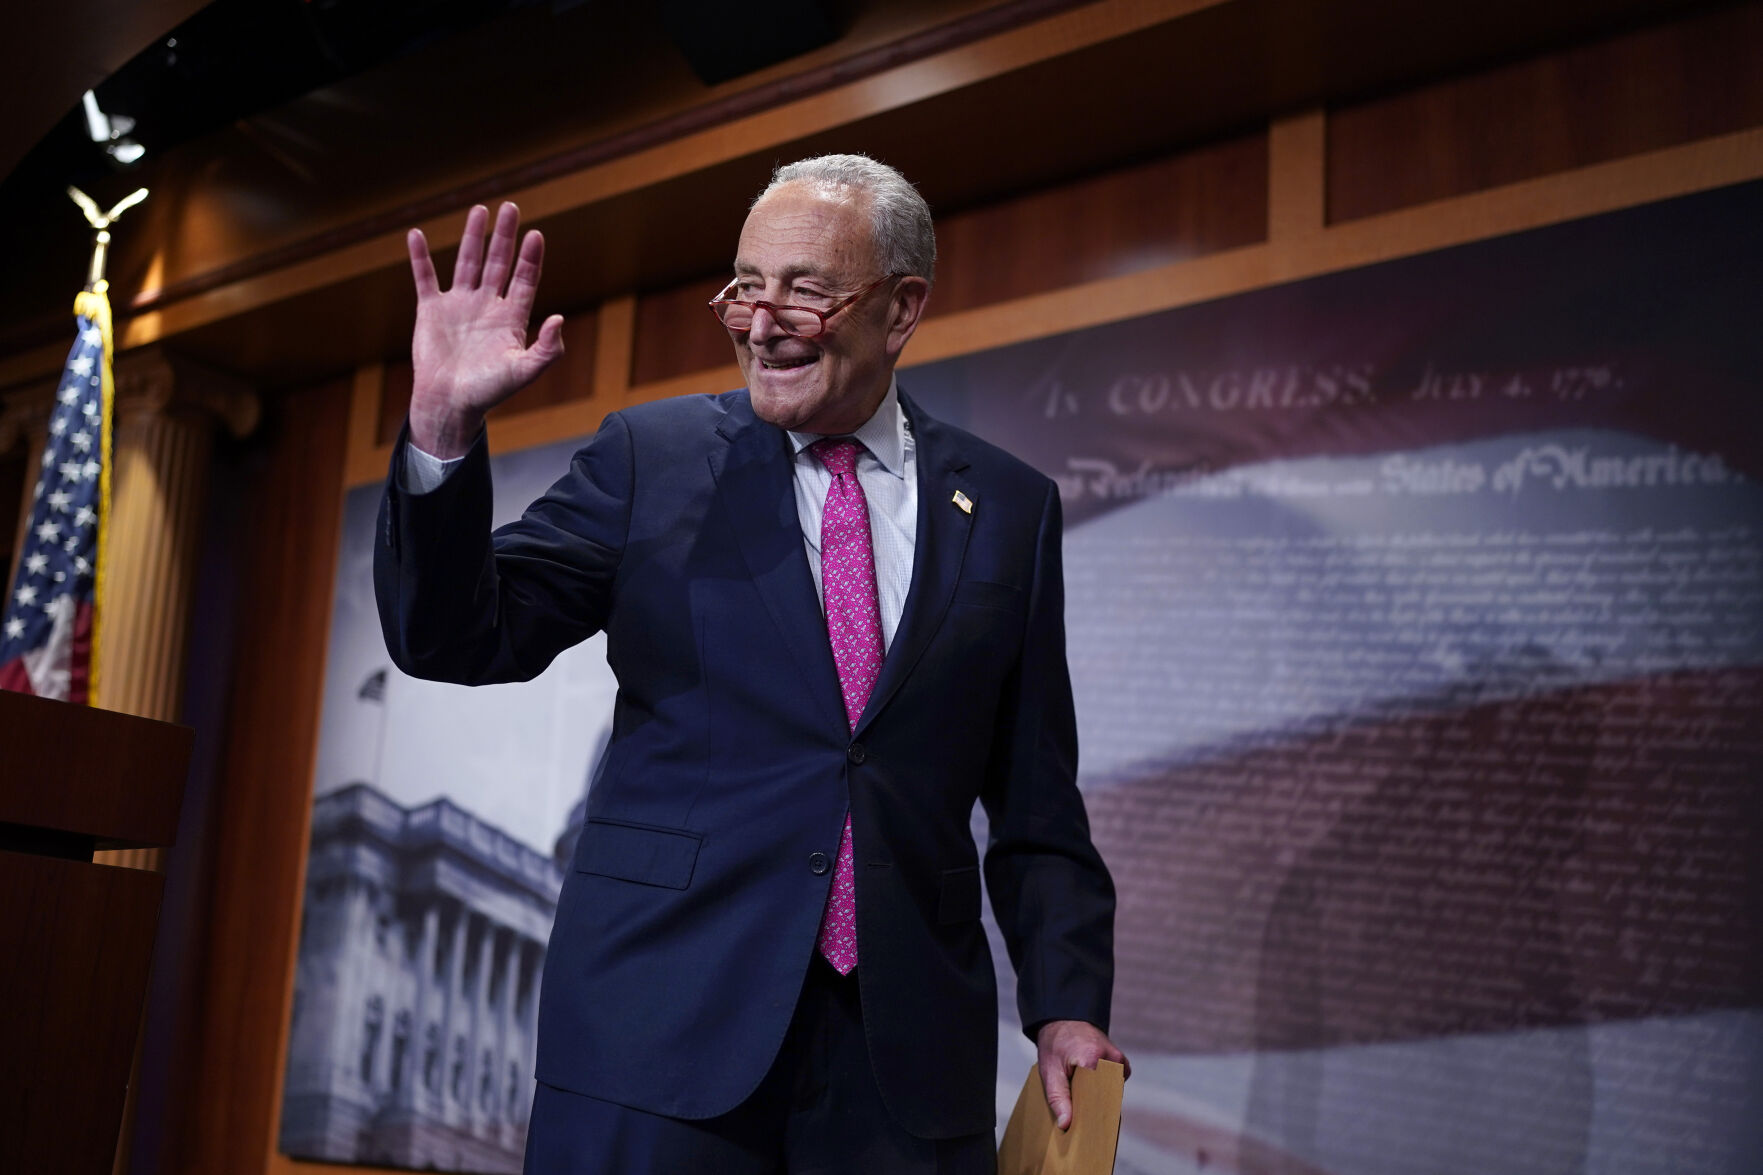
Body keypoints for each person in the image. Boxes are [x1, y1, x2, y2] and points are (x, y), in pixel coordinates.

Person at [376, 154, 1126, 1173]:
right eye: (744, 284)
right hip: (658, 1038)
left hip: (900, 1071)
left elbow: (1037, 801)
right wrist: (440, 429)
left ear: (901, 308)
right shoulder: (652, 457)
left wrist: (1067, 1006)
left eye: (805, 288)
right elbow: (455, 636)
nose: (759, 320)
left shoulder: (1006, 506)